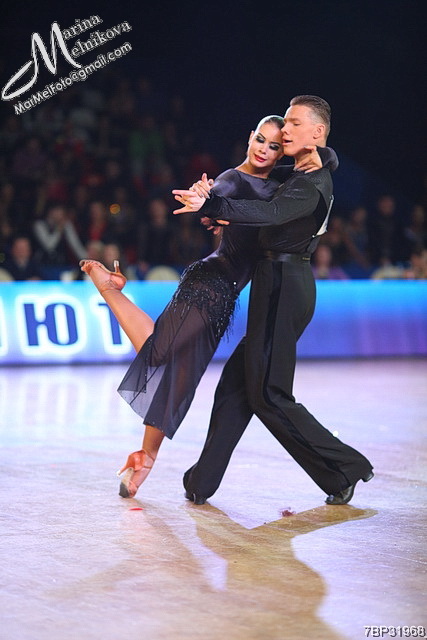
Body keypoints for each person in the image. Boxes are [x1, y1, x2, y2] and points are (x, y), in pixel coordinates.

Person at [80, 114, 332, 499]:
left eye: (274, 146)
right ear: (249, 137)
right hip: (209, 282)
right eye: (260, 140)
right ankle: (109, 289)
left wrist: (328, 157)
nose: (264, 150)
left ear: (282, 152)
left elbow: (314, 171)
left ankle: (146, 457)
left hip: (226, 295)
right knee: (160, 352)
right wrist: (206, 199)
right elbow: (217, 194)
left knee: (181, 376)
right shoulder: (234, 178)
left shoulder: (281, 184)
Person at [173, 95, 374, 506]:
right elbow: (254, 179)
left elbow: (270, 212)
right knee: (236, 384)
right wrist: (213, 199)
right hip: (276, 281)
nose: (285, 130)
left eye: (294, 123)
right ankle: (202, 481)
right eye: (285, 122)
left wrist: (214, 204)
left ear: (317, 131)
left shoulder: (310, 183)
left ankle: (344, 469)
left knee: (269, 394)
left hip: (286, 284)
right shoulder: (301, 170)